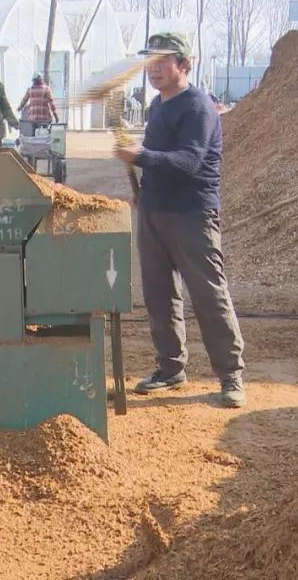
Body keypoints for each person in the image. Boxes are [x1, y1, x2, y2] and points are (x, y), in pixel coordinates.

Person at [114, 32, 246, 409]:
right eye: (148, 62)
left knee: (208, 294)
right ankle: (170, 367)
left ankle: (231, 375)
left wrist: (140, 155)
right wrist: (143, 184)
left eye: (161, 61)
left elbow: (188, 161)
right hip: (154, 211)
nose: (152, 69)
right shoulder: (157, 106)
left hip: (192, 213)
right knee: (158, 293)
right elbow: (156, 156)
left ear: (184, 65)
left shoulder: (198, 107)